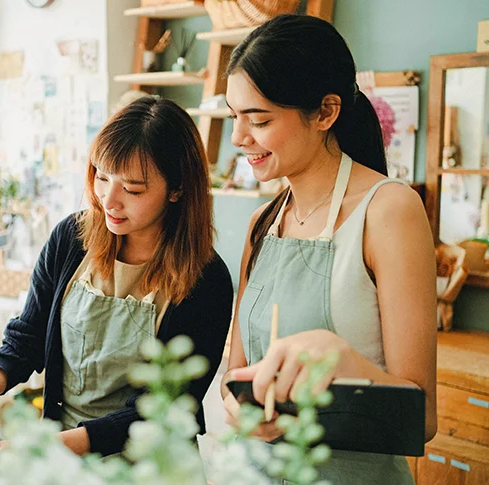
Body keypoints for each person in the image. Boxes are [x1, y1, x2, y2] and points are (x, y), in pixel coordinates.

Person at [0, 96, 233, 458]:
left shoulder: (206, 280)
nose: (108, 200)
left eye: (132, 189)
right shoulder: (71, 238)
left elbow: (162, 411)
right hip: (64, 456)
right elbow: (26, 341)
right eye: (101, 176)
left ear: (177, 189)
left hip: (151, 466)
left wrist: (48, 447)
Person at [220, 14, 437, 484]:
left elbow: (420, 420)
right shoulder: (263, 224)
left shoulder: (389, 210)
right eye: (234, 116)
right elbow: (233, 377)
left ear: (325, 113)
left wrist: (342, 358)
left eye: (258, 120)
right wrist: (241, 412)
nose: (239, 138)